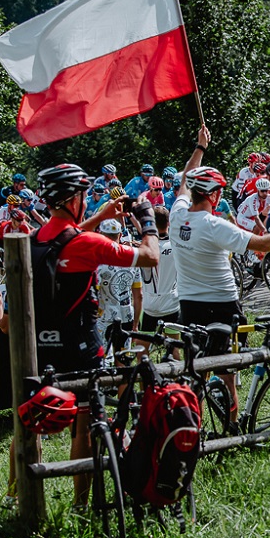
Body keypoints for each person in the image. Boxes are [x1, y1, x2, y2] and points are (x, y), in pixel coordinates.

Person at [30, 162, 160, 508]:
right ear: (74, 199)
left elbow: (63, 242)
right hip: (81, 345)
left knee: (32, 417)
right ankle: (80, 503)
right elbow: (149, 257)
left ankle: (21, 498)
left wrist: (100, 214)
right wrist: (147, 221)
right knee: (84, 424)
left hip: (41, 345)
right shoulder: (88, 243)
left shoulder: (34, 239)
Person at [170, 125, 270, 420]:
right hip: (222, 304)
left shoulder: (177, 215)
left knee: (195, 375)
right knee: (228, 374)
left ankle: (196, 432)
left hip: (188, 304)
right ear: (214, 196)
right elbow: (263, 242)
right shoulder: (214, 226)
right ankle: (231, 431)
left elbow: (184, 183)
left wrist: (200, 147)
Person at [94, 219, 142, 361]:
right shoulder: (132, 260)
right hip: (126, 315)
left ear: (102, 235)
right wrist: (136, 323)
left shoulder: (99, 263)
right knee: (123, 359)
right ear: (120, 235)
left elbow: (95, 295)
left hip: (104, 317)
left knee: (103, 360)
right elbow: (139, 296)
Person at [134, 207, 179, 357]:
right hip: (172, 303)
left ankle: (145, 379)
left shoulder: (146, 249)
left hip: (150, 306)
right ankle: (179, 380)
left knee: (141, 350)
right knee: (174, 348)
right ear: (168, 223)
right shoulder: (176, 245)